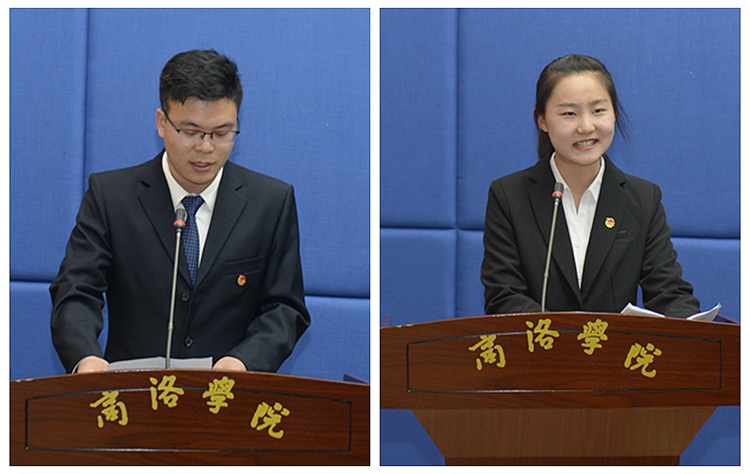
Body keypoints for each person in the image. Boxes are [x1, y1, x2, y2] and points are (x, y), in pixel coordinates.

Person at [50, 49, 310, 374]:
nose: (206, 147)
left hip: (225, 395)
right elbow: (76, 290)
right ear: (162, 123)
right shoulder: (111, 197)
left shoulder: (270, 203)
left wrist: (244, 362)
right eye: (190, 131)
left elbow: (285, 307)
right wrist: (85, 358)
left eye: (222, 133)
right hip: (133, 395)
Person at [481, 54, 700, 317]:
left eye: (598, 111)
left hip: (615, 346)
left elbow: (669, 293)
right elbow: (503, 297)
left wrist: (691, 324)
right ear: (541, 119)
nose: (586, 127)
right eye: (569, 114)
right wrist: (569, 336)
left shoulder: (643, 198)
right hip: (542, 343)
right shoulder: (509, 196)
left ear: (614, 113)